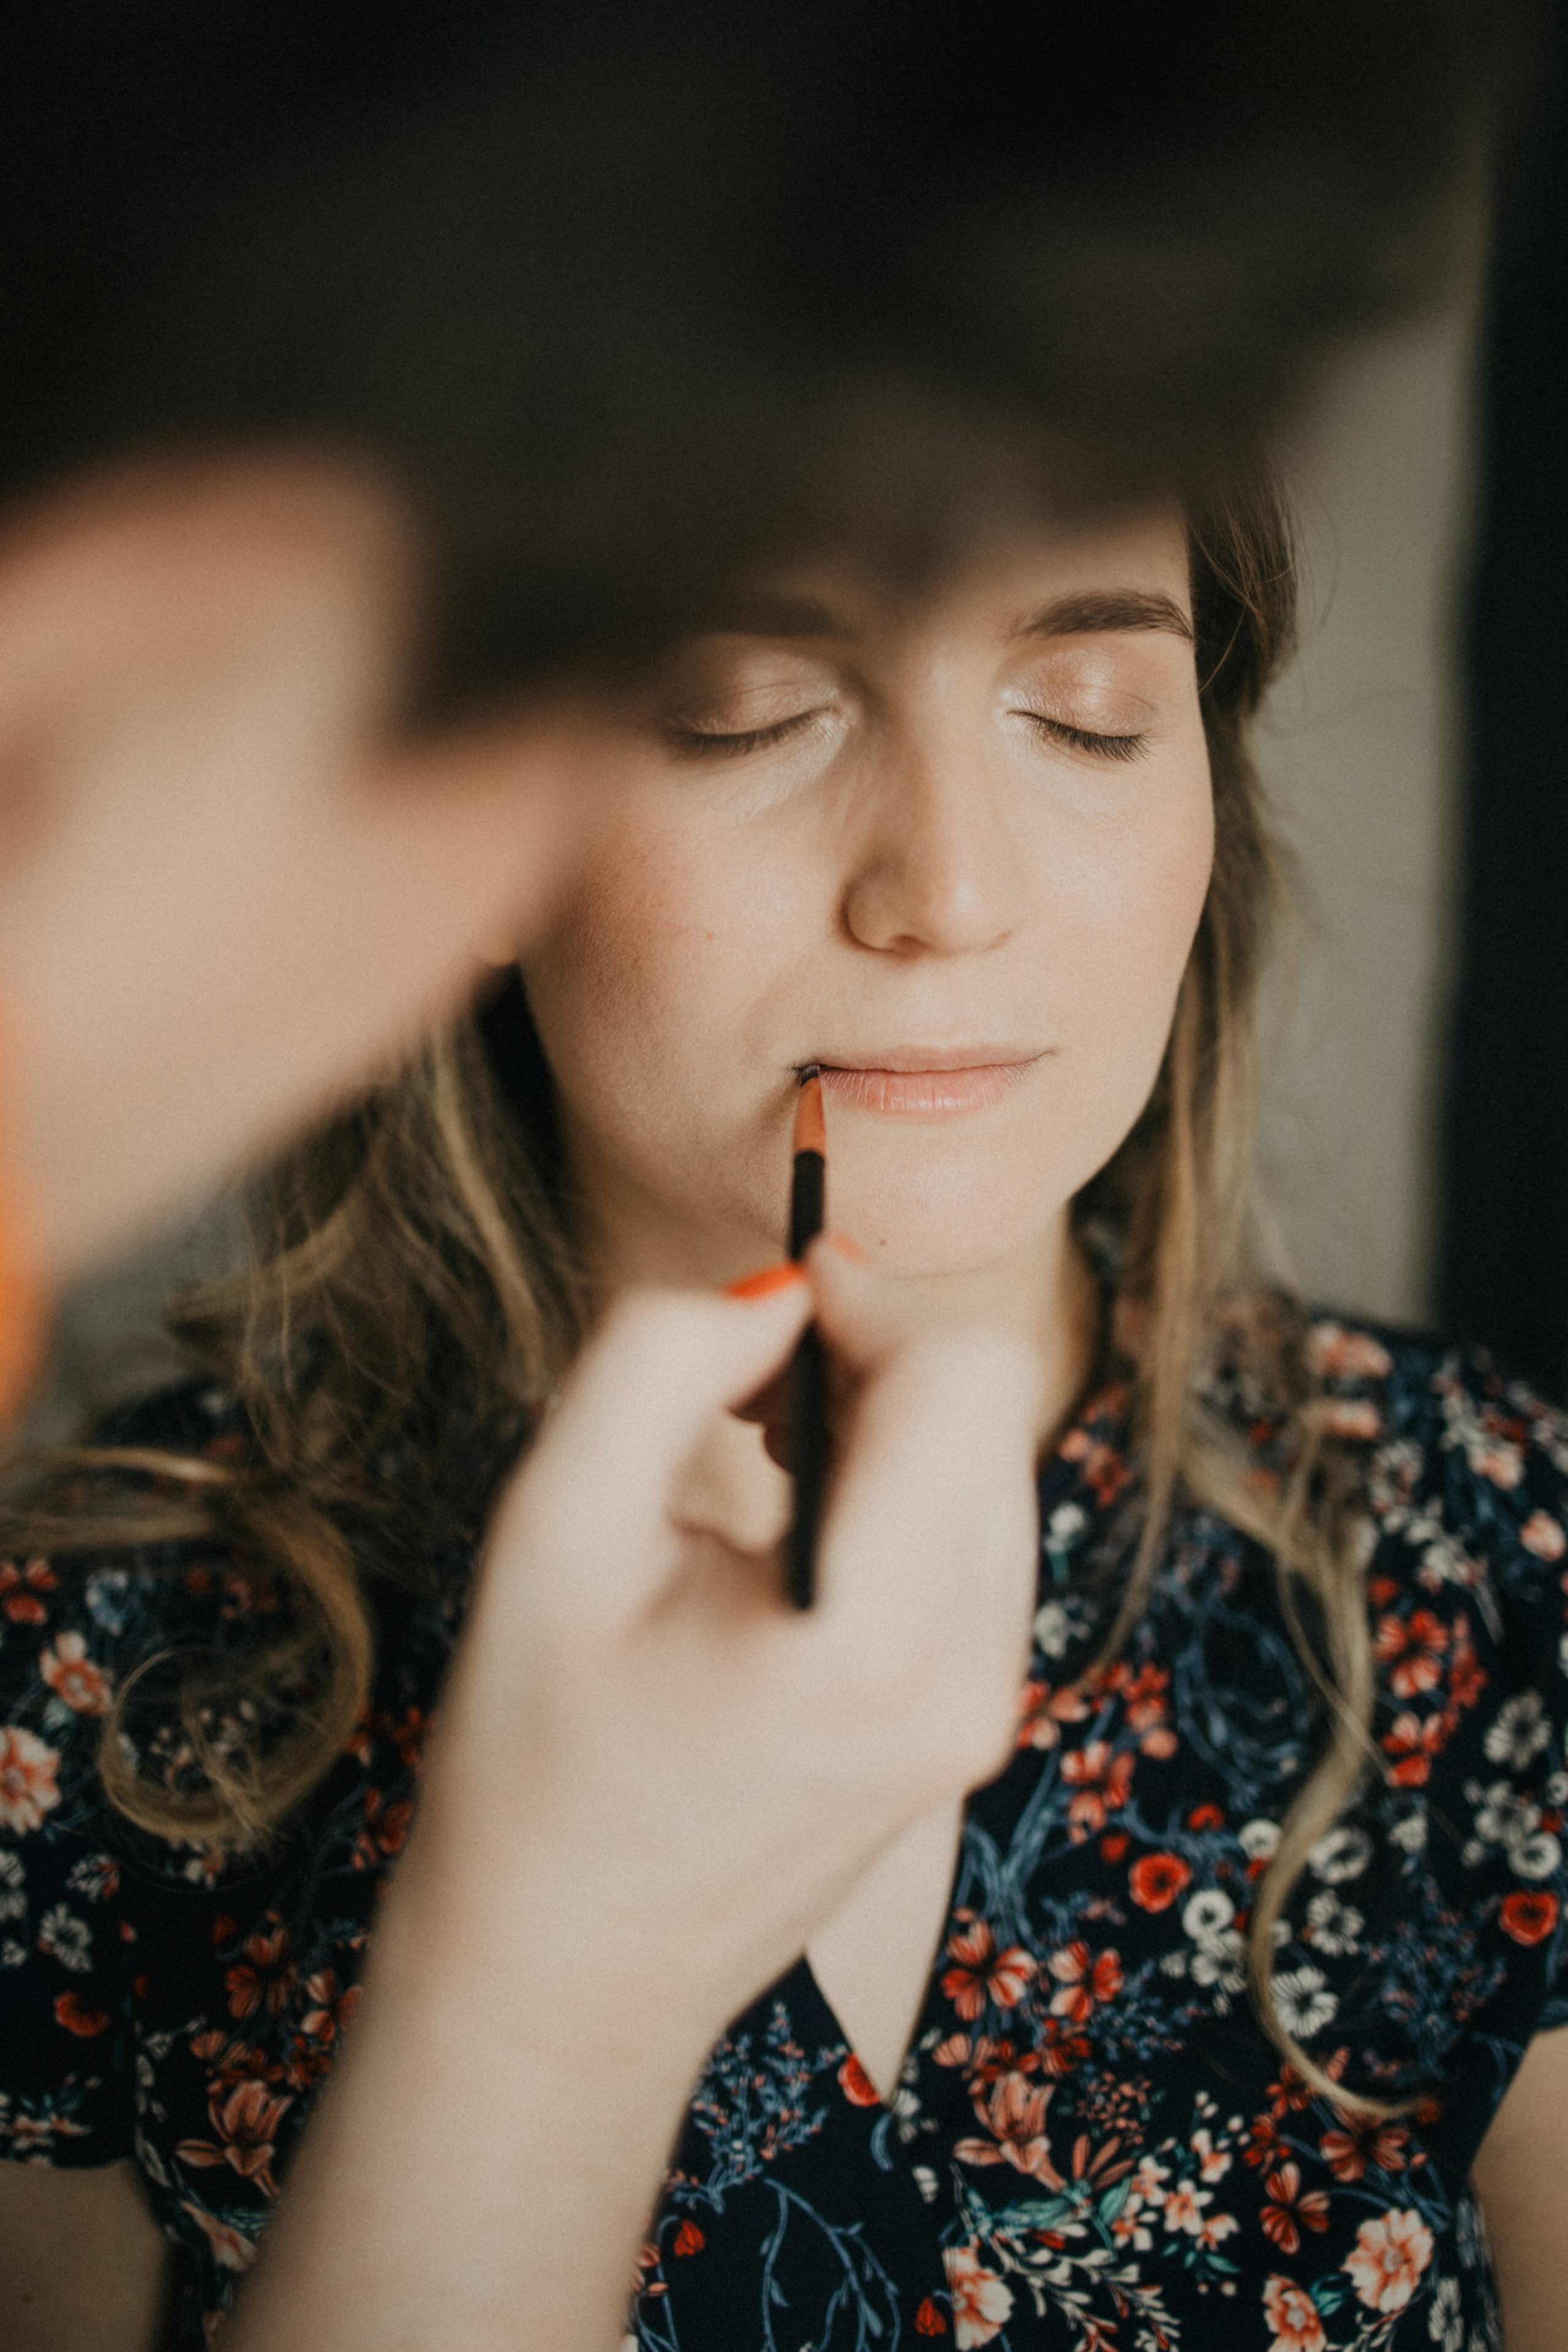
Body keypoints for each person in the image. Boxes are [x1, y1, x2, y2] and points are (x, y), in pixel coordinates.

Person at [0, 7, 1544, 2350]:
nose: (946, 891)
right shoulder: (90, 1659)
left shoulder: (1492, 1542)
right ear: (482, 816)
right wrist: (537, 1985)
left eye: (1088, 718)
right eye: (745, 706)